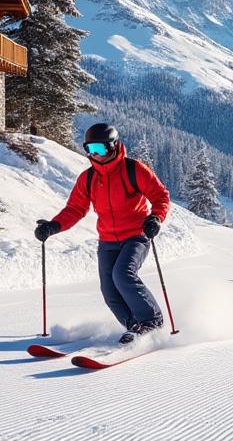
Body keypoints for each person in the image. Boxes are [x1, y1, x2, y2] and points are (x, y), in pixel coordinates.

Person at [35, 123, 171, 344]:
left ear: (113, 146)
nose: (95, 155)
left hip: (136, 235)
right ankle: (134, 326)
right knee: (109, 290)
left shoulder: (133, 170)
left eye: (100, 149)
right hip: (107, 240)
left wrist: (155, 217)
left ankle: (152, 322)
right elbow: (75, 209)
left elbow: (160, 196)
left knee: (123, 275)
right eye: (90, 150)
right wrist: (53, 226)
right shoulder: (88, 178)